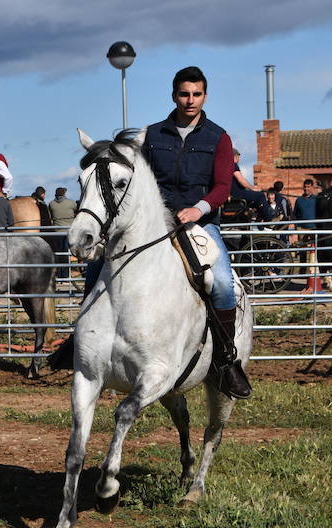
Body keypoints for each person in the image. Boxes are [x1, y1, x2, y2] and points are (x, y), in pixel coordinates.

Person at [51, 66, 251, 398]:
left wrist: (197, 209)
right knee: (98, 269)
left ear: (205, 96)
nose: (190, 100)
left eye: (196, 94)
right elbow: (133, 180)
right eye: (184, 94)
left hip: (200, 224)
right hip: (156, 224)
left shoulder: (219, 137)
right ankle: (79, 342)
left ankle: (226, 362)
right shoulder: (153, 135)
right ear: (174, 95)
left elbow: (222, 186)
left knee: (223, 283)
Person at [230, 149, 273, 221]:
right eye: (238, 158)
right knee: (260, 195)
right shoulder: (233, 165)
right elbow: (240, 179)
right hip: (238, 193)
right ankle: (270, 220)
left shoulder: (224, 166)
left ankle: (259, 220)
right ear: (235, 157)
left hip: (232, 193)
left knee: (256, 201)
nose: (238, 160)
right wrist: (252, 188)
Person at [48, 187, 77, 253]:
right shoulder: (71, 202)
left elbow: (50, 216)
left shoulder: (51, 204)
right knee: (68, 251)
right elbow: (77, 211)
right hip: (69, 230)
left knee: (59, 251)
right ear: (64, 194)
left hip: (57, 231)